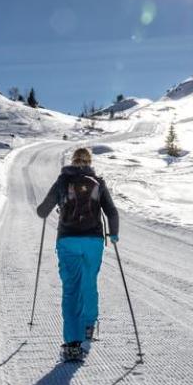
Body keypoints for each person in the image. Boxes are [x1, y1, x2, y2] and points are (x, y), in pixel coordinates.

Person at [37, 147, 119, 361]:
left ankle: (72, 344)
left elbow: (42, 210)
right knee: (89, 282)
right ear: (90, 162)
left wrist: (49, 209)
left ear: (73, 161)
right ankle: (89, 326)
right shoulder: (97, 182)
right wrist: (114, 234)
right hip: (94, 241)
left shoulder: (64, 180)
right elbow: (111, 211)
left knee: (71, 289)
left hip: (68, 240)